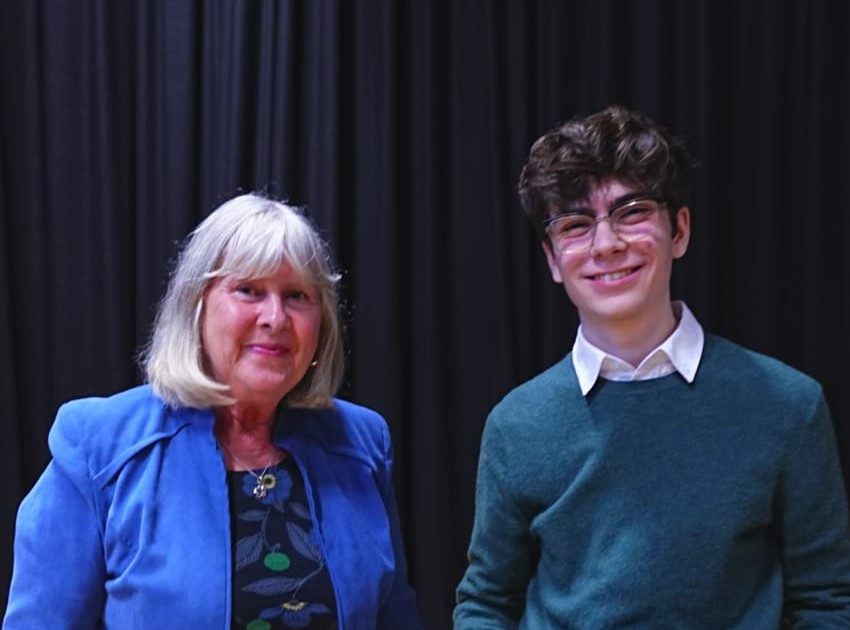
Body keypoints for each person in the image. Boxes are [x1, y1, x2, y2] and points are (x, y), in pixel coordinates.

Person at [454, 105, 850, 627]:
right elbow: (487, 603)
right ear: (552, 259)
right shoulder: (516, 424)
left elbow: (827, 601)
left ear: (679, 230)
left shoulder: (789, 406)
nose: (606, 244)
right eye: (575, 224)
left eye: (632, 212)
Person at [5, 193, 422, 629]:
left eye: (296, 295)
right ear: (196, 306)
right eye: (249, 290)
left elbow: (395, 618)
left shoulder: (360, 443)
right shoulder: (99, 446)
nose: (275, 317)